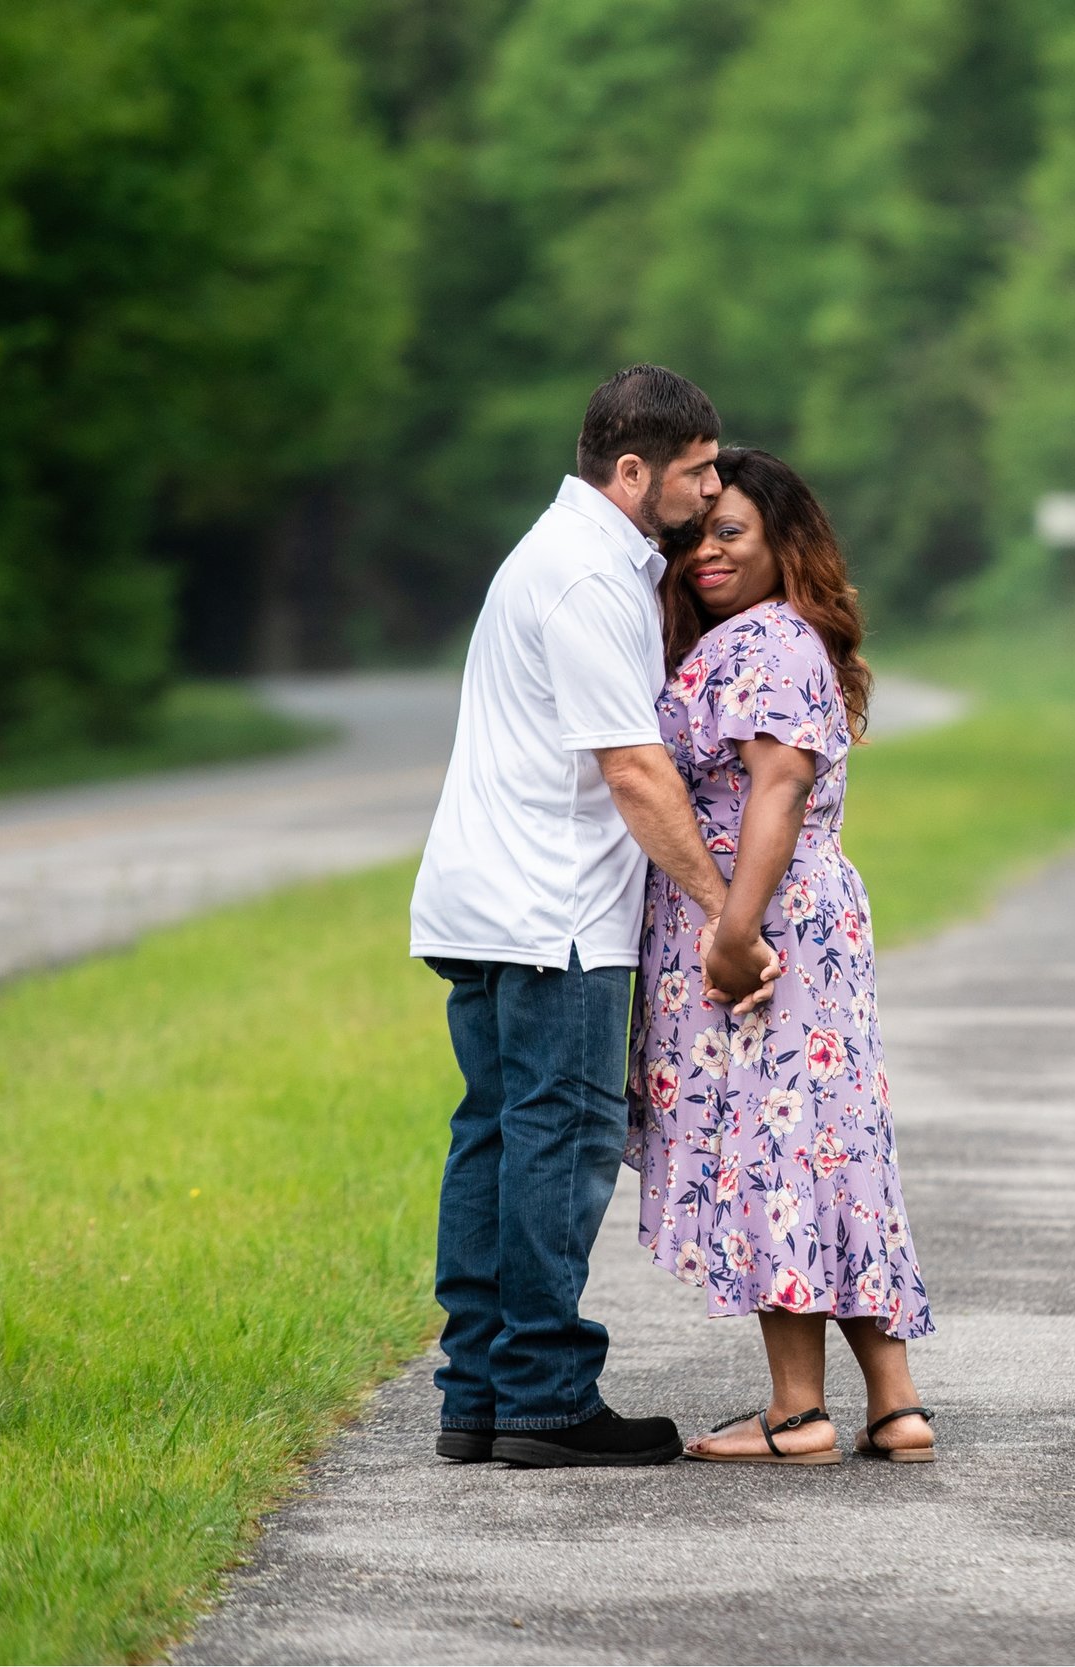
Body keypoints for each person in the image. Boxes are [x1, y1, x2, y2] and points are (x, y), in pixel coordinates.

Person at [410, 366, 777, 1469]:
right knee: (557, 1146)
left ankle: (476, 1394)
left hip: (492, 904)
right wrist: (725, 915)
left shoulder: (567, 558)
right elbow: (632, 768)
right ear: (634, 470)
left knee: (494, 1136)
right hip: (552, 914)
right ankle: (544, 1393)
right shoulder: (585, 577)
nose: (711, 488)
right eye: (698, 468)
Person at [626, 447, 936, 1465]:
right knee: (831, 1152)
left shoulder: (764, 641)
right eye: (694, 537)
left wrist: (731, 928)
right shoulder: (776, 638)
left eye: (731, 534)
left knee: (776, 1154)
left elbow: (778, 787)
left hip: (762, 930)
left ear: (781, 545)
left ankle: (797, 1412)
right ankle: (894, 1405)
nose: (705, 552)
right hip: (801, 923)